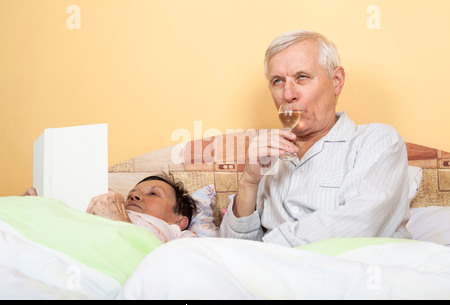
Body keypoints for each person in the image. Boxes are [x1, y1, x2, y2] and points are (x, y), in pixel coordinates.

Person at [219, 30, 411, 247]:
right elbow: (229, 253)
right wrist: (249, 181)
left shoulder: (377, 141)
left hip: (353, 273)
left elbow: (359, 226)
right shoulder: (266, 157)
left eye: (302, 77)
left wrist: (265, 252)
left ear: (336, 81)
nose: (288, 94)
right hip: (276, 275)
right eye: (277, 81)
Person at [23, 173, 199, 243]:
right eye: (132, 193)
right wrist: (37, 210)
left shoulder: (180, 237)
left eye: (153, 194)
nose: (134, 197)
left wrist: (122, 225)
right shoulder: (102, 207)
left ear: (180, 221)